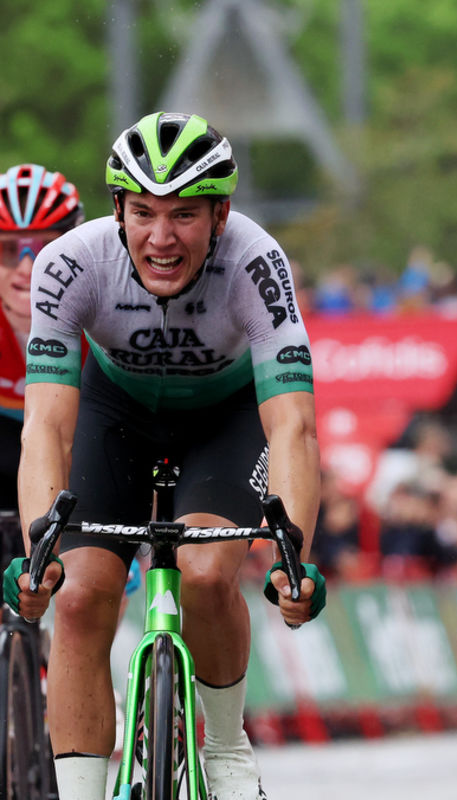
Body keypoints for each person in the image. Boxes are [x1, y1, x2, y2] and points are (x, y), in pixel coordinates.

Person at [8, 112, 324, 800]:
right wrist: (39, 551)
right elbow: (47, 429)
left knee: (209, 575)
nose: (161, 236)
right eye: (143, 212)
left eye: (185, 214)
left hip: (226, 419)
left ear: (221, 214)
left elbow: (294, 426)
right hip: (113, 416)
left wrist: (298, 559)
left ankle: (227, 748)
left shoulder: (256, 261)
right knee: (82, 594)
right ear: (117, 209)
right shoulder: (70, 264)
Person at [1, 164, 85, 515]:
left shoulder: (99, 312)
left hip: (78, 449)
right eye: (7, 250)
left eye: (45, 247)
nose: (26, 266)